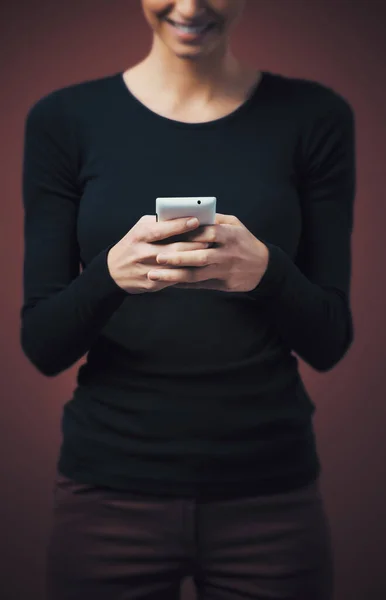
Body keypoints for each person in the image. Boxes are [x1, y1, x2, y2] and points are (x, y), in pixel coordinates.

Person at [20, 0, 356, 598]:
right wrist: (110, 275)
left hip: (269, 496)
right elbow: (43, 346)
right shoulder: (63, 120)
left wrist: (268, 272)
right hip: (108, 494)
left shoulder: (315, 117)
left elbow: (330, 341)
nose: (191, 5)